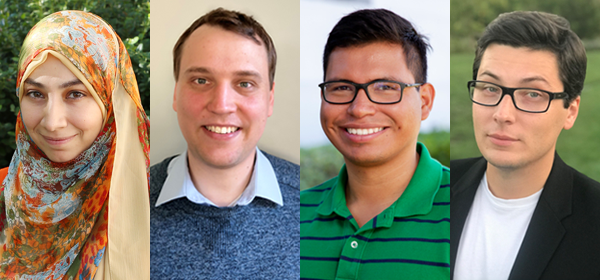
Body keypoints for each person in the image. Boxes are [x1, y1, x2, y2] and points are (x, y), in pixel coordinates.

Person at [150, 8, 299, 279]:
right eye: (201, 80)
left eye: (244, 83)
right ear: (176, 93)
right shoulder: (126, 202)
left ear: (270, 99)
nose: (221, 105)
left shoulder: (312, 203)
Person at [300, 9, 450, 279]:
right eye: (342, 88)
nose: (359, 109)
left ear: (424, 101)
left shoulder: (468, 211)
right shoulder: (291, 216)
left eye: (384, 87)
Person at [0, 11, 150, 279]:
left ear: (110, 100)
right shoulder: (2, 192)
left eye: (76, 94)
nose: (53, 122)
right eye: (35, 94)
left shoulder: (155, 202)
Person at [451, 11, 600, 280]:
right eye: (490, 88)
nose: (503, 114)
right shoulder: (433, 191)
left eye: (533, 94)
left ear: (571, 111)